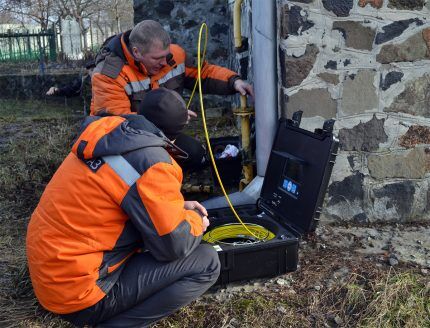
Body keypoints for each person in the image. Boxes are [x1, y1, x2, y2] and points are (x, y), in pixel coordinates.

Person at [26, 88, 220, 327]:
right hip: (80, 296)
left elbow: (120, 202)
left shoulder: (105, 137)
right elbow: (173, 245)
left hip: (52, 276)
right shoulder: (153, 162)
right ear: (174, 138)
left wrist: (177, 206)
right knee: (207, 262)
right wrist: (194, 221)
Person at [91, 19, 254, 171]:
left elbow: (202, 73)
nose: (164, 62)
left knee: (195, 155)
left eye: (166, 55)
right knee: (149, 166)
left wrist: (234, 81)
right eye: (157, 58)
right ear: (137, 52)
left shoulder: (173, 55)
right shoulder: (108, 75)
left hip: (160, 133)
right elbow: (118, 125)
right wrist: (169, 119)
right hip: (122, 143)